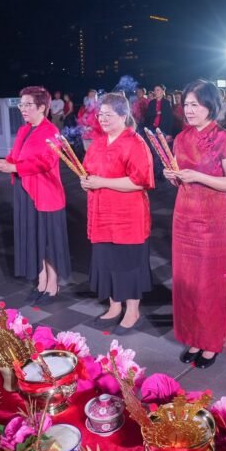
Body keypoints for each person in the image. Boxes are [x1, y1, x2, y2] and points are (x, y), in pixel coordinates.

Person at [164, 80, 226, 369]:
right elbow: (180, 178)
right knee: (188, 282)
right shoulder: (181, 138)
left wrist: (197, 176)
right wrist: (172, 176)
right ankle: (194, 337)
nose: (189, 110)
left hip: (214, 219)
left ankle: (211, 343)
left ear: (210, 106)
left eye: (195, 105)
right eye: (186, 104)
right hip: (184, 215)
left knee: (210, 282)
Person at [81, 93, 155, 334]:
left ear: (123, 116)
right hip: (102, 214)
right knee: (107, 260)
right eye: (100, 114)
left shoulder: (135, 143)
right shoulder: (98, 142)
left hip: (127, 217)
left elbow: (140, 181)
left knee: (127, 263)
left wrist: (101, 182)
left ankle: (132, 311)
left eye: (108, 115)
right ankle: (114, 307)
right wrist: (86, 181)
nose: (102, 119)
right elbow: (88, 170)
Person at [0, 86, 71, 301]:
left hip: (46, 194)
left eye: (28, 105)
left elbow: (46, 162)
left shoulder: (51, 131)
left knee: (48, 240)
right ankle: (41, 280)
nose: (23, 109)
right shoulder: (24, 130)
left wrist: (14, 167)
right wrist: (4, 163)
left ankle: (53, 284)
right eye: (21, 105)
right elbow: (14, 155)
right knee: (33, 237)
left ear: (42, 107)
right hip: (25, 190)